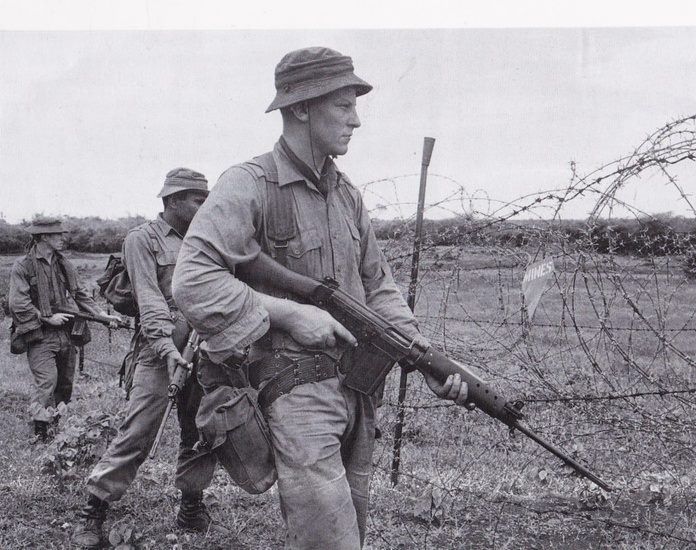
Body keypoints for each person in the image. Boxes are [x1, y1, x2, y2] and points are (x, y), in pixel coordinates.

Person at [172, 47, 468, 549]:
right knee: (331, 541)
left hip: (356, 387)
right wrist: (289, 313)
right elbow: (192, 280)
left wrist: (424, 358)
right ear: (301, 107)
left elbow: (379, 285)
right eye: (343, 106)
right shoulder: (249, 185)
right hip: (295, 391)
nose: (357, 120)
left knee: (350, 529)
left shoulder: (346, 193)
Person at [71, 169, 218, 549]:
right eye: (196, 200)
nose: (204, 206)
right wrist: (169, 351)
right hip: (159, 352)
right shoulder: (142, 239)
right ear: (171, 201)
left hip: (207, 349)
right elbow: (151, 304)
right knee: (138, 432)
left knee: (201, 431)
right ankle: (95, 510)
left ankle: (191, 503)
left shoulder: (209, 238)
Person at [8, 217, 121, 442]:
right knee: (47, 381)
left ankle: (57, 428)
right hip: (39, 334)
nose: (63, 238)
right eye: (58, 235)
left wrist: (102, 315)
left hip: (66, 333)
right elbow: (18, 303)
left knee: (65, 383)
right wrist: (47, 318)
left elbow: (79, 294)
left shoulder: (64, 264)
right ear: (43, 237)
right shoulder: (23, 266)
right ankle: (40, 434)